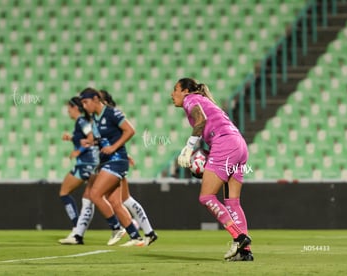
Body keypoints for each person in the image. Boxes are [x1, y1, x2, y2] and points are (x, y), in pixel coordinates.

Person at [171, 78, 253, 261]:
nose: (172, 94)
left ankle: (238, 236)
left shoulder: (190, 99)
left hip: (225, 144)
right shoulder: (205, 100)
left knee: (206, 197)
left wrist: (188, 148)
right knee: (233, 202)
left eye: (175, 89)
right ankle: (245, 251)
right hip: (239, 144)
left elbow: (201, 120)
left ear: (185, 91)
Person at [79, 87, 144, 247]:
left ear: (95, 99)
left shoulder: (111, 113)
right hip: (107, 161)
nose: (85, 107)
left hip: (116, 160)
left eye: (86, 102)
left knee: (95, 194)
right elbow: (99, 139)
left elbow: (130, 130)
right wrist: (90, 142)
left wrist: (114, 147)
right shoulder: (95, 118)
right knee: (115, 202)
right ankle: (135, 236)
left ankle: (116, 227)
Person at [100, 90, 158, 245]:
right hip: (112, 160)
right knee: (124, 200)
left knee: (123, 200)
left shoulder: (112, 115)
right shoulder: (103, 118)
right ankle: (145, 232)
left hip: (115, 161)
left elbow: (121, 137)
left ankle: (143, 232)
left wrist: (123, 155)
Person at [58, 97, 99, 244]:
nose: (68, 110)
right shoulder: (81, 122)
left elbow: (91, 137)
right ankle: (128, 224)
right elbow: (86, 137)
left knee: (64, 192)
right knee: (98, 197)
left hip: (85, 163)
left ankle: (76, 228)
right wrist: (72, 138)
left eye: (69, 107)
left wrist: (78, 150)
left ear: (75, 107)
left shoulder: (81, 121)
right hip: (91, 162)